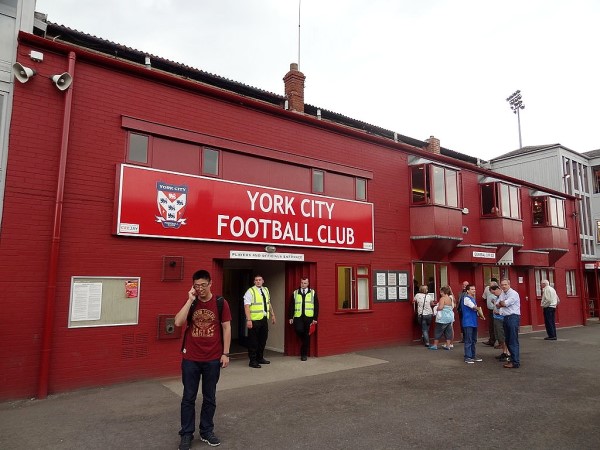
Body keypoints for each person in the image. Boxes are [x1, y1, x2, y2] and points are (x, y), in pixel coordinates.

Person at [174, 269, 232, 449]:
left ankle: (206, 431)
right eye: (196, 286)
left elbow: (226, 328)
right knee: (188, 397)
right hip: (191, 358)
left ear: (210, 284)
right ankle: (186, 433)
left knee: (210, 397)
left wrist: (226, 353)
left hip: (212, 358)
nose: (200, 289)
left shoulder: (220, 302)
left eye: (203, 285)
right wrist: (190, 300)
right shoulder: (191, 302)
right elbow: (177, 322)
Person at [243, 274, 276, 368]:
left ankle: (260, 358)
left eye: (259, 280)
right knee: (253, 341)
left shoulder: (266, 290)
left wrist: (273, 314)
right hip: (254, 320)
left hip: (264, 319)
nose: (258, 281)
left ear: (263, 281)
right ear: (254, 282)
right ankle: (252, 361)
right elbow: (246, 306)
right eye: (256, 280)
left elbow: (268, 303)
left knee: (263, 340)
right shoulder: (250, 291)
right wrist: (248, 319)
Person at [288, 277, 319, 360]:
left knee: (307, 335)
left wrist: (315, 318)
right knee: (299, 330)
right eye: (302, 283)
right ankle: (304, 342)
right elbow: (291, 306)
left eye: (305, 283)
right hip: (298, 317)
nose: (303, 284)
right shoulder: (295, 293)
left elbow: (316, 306)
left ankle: (303, 355)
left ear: (308, 283)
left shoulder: (312, 293)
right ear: (300, 283)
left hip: (309, 317)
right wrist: (290, 317)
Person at [496, 278, 521, 369]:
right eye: (502, 285)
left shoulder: (513, 294)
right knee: (508, 340)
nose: (504, 286)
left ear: (509, 284)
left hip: (513, 317)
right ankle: (512, 359)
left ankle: (515, 362)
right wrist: (500, 304)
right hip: (506, 317)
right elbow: (498, 304)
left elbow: (504, 304)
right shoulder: (503, 293)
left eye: (505, 284)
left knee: (513, 340)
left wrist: (501, 304)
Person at [462, 284, 483, 364]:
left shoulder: (472, 299)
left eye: (474, 289)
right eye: (472, 289)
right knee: (469, 340)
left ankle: (473, 356)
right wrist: (480, 311)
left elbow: (475, 309)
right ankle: (467, 357)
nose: (474, 290)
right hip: (468, 322)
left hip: (473, 322)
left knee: (473, 340)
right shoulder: (466, 298)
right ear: (467, 291)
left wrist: (480, 315)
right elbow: (473, 307)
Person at [428, 286, 454, 350]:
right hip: (449, 317)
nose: (440, 293)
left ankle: (435, 345)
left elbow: (441, 307)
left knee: (438, 331)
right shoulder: (449, 298)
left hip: (443, 317)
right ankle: (448, 346)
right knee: (448, 332)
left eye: (441, 292)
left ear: (443, 292)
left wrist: (436, 308)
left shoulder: (442, 298)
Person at [489, 284, 510, 362]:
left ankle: (507, 353)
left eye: (494, 292)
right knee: (499, 337)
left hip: (501, 318)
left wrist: (498, 311)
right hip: (496, 318)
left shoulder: (503, 296)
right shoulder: (497, 297)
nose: (494, 294)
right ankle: (504, 352)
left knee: (503, 336)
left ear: (498, 289)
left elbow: (504, 306)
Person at [482, 277, 499, 346]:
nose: (491, 289)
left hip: (497, 310)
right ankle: (492, 340)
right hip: (490, 309)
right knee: (491, 325)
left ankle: (497, 341)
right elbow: (484, 297)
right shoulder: (487, 289)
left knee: (497, 326)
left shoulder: (499, 291)